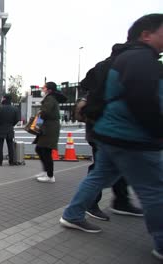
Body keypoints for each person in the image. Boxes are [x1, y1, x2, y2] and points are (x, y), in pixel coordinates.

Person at [60, 14, 163, 261]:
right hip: (131, 134)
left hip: (108, 130)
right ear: (146, 34)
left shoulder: (119, 59)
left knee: (100, 175)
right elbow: (142, 99)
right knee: (155, 190)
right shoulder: (141, 58)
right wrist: (158, 131)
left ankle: (74, 214)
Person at [33, 82, 67, 183]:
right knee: (39, 149)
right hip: (47, 127)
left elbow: (44, 113)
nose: (42, 89)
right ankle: (45, 171)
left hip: (49, 128)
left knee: (46, 151)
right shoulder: (50, 98)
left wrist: (37, 120)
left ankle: (50, 176)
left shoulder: (50, 99)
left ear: (49, 90)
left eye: (44, 88)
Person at [0, 94, 19, 166]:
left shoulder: (0, 108)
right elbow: (17, 119)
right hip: (10, 128)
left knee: (0, 145)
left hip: (1, 129)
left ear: (4, 99)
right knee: (10, 145)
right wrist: (12, 124)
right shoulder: (14, 109)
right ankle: (11, 162)